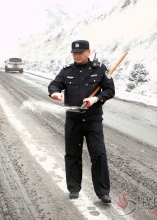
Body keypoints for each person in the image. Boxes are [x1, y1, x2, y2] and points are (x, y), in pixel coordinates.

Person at [48, 40, 115, 203]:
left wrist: (96, 99)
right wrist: (55, 93)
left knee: (98, 154)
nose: (76, 55)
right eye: (74, 53)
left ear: (88, 52)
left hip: (93, 120)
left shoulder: (100, 69)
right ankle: (73, 188)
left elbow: (110, 90)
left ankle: (103, 193)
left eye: (80, 52)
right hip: (73, 120)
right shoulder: (66, 71)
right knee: (72, 155)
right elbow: (53, 85)